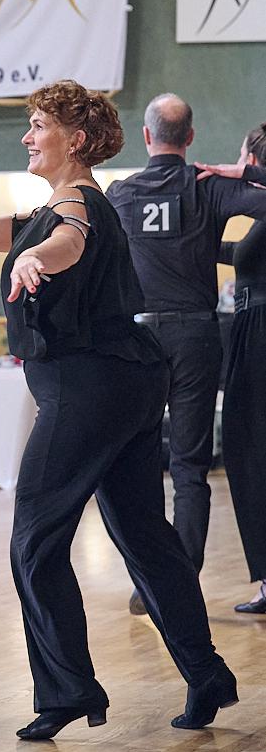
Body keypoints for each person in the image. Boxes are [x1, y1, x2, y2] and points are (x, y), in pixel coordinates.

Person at [0, 79, 237, 739]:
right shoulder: (61, 204)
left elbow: (65, 242)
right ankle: (205, 672)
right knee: (145, 539)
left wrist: (35, 257)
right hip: (124, 383)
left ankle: (67, 690)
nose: (26, 135)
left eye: (37, 124)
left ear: (78, 140)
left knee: (34, 540)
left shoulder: (74, 205)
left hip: (85, 391)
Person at [106, 94, 266, 613]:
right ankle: (180, 580)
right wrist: (241, 174)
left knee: (139, 465)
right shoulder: (209, 187)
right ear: (191, 137)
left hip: (140, 341)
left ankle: (148, 579)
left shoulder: (122, 193)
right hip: (198, 338)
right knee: (190, 468)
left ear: (147, 137)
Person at [196, 124, 266, 613]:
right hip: (250, 329)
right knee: (249, 453)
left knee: (250, 451)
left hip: (260, 333)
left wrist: (243, 172)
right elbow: (239, 256)